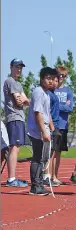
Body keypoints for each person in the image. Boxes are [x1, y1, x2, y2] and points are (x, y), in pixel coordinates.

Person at [27, 67, 57, 196]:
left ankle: (39, 183)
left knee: (43, 158)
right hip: (37, 131)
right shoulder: (38, 92)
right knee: (37, 158)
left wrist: (52, 128)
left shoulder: (46, 93)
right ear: (41, 79)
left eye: (52, 79)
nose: (50, 81)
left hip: (44, 129)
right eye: (48, 78)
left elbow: (47, 112)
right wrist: (44, 132)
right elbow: (38, 113)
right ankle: (35, 186)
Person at [3, 59, 30, 187]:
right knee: (14, 147)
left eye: (20, 68)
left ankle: (12, 178)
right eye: (17, 67)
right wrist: (22, 100)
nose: (19, 70)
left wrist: (23, 99)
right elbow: (19, 101)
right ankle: (11, 179)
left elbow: (26, 100)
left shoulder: (18, 84)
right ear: (11, 67)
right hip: (14, 117)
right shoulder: (10, 81)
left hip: (19, 117)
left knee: (16, 148)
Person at [43, 72, 63, 187]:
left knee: (52, 153)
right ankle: (46, 176)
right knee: (48, 154)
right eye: (53, 80)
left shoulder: (53, 94)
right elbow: (47, 111)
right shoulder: (49, 95)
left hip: (55, 125)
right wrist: (52, 127)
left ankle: (48, 176)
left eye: (57, 81)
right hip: (51, 125)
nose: (55, 83)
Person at [54, 66, 73, 180]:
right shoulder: (52, 90)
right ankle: (49, 176)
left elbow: (70, 108)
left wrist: (57, 106)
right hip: (53, 125)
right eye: (59, 75)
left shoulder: (68, 91)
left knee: (59, 153)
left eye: (64, 75)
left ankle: (55, 176)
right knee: (51, 153)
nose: (61, 77)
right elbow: (50, 107)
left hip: (63, 125)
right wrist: (62, 106)